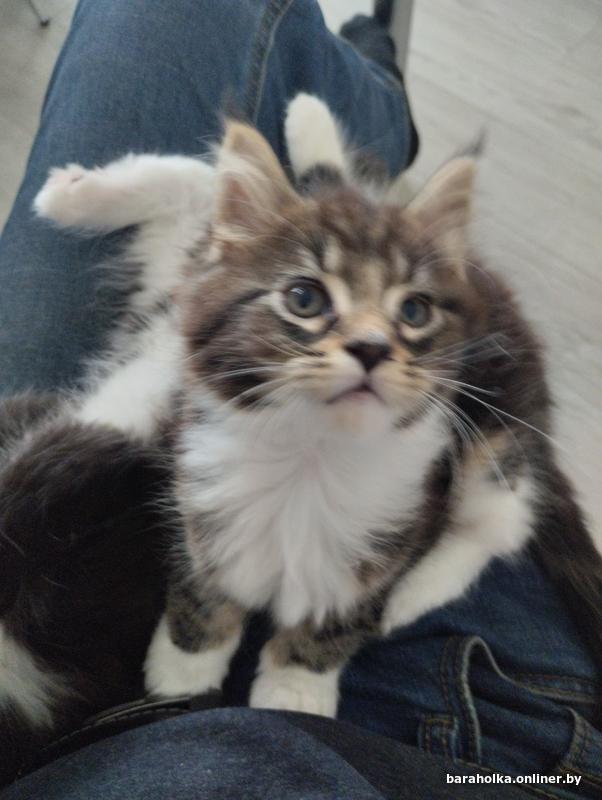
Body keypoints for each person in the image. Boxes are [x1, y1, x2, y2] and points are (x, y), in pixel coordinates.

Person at [0, 2, 600, 798]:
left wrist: (310, 658)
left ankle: (369, 100)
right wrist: (198, 633)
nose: (371, 339)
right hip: (485, 730)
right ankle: (372, 91)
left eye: (408, 314)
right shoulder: (217, 433)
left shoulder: (409, 447)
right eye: (312, 302)